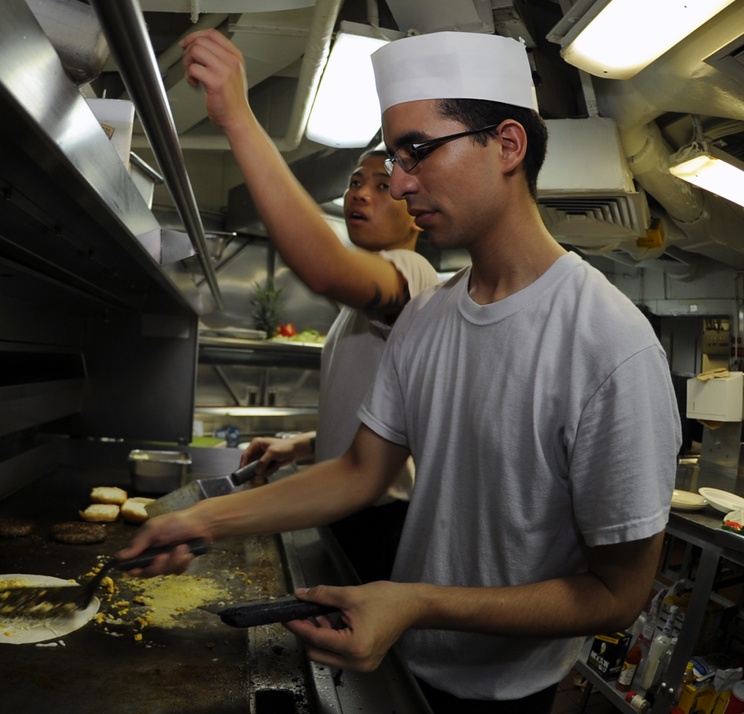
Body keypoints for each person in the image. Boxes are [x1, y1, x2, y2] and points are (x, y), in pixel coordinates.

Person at [121, 30, 680, 714]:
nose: (402, 180)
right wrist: (206, 519)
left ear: (507, 146)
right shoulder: (428, 317)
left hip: (503, 693)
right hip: (401, 659)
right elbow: (360, 471)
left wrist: (415, 601)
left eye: (417, 151)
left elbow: (619, 596)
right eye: (394, 157)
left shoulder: (608, 344)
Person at [184, 29, 439, 583]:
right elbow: (374, 419)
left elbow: (323, 268)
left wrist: (238, 117)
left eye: (381, 183)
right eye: (354, 183)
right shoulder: (362, 309)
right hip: (345, 506)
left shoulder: (415, 275)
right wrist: (301, 446)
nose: (359, 194)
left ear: (415, 209)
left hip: (380, 521)